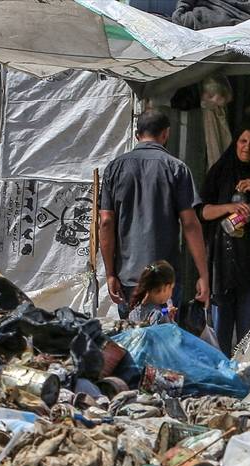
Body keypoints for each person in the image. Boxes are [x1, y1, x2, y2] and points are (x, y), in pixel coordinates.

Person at [99, 110, 210, 317]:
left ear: (137, 135)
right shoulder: (177, 169)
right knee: (163, 333)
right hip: (165, 283)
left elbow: (105, 222)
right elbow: (190, 224)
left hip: (129, 281)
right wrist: (203, 275)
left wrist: (110, 273)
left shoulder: (114, 169)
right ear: (166, 134)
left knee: (132, 335)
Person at [200, 126, 250, 354]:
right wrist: (229, 207)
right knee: (220, 330)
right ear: (235, 143)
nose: (247, 147)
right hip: (223, 261)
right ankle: (220, 368)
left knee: (248, 328)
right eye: (243, 141)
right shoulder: (221, 171)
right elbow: (202, 212)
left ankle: (244, 368)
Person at [126, 260, 176, 325]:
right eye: (171, 288)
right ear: (165, 288)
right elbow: (169, 331)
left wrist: (168, 317)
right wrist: (170, 321)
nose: (171, 294)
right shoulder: (158, 315)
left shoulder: (133, 313)